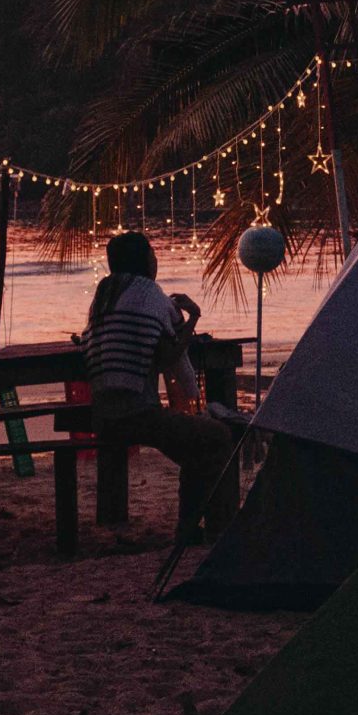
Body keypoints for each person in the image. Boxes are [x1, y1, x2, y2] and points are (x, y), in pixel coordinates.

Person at [81, 232, 238, 544]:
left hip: (100, 416)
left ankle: (190, 530)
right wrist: (193, 316)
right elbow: (170, 356)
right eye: (152, 253)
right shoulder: (152, 296)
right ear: (144, 261)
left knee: (195, 450)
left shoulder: (103, 295)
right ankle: (219, 530)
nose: (156, 258)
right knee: (218, 437)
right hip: (136, 413)